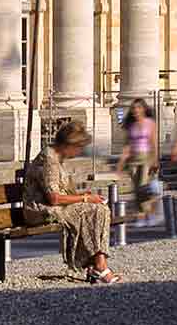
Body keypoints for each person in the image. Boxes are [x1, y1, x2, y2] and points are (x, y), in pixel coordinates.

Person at [24, 122, 119, 284]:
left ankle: (97, 264)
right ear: (69, 144)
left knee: (99, 209)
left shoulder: (56, 157)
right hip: (41, 210)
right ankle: (99, 266)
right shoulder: (49, 159)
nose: (80, 151)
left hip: (54, 207)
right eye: (79, 147)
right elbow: (53, 198)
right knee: (95, 210)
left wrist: (83, 196)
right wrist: (85, 199)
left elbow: (60, 194)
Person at [117, 98, 160, 226]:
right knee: (136, 189)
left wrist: (155, 159)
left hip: (146, 157)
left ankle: (148, 213)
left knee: (143, 185)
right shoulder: (131, 126)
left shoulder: (150, 123)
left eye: (138, 108)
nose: (136, 110)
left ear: (144, 109)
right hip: (133, 159)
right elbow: (127, 146)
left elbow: (153, 143)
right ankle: (143, 214)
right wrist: (121, 162)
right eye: (134, 108)